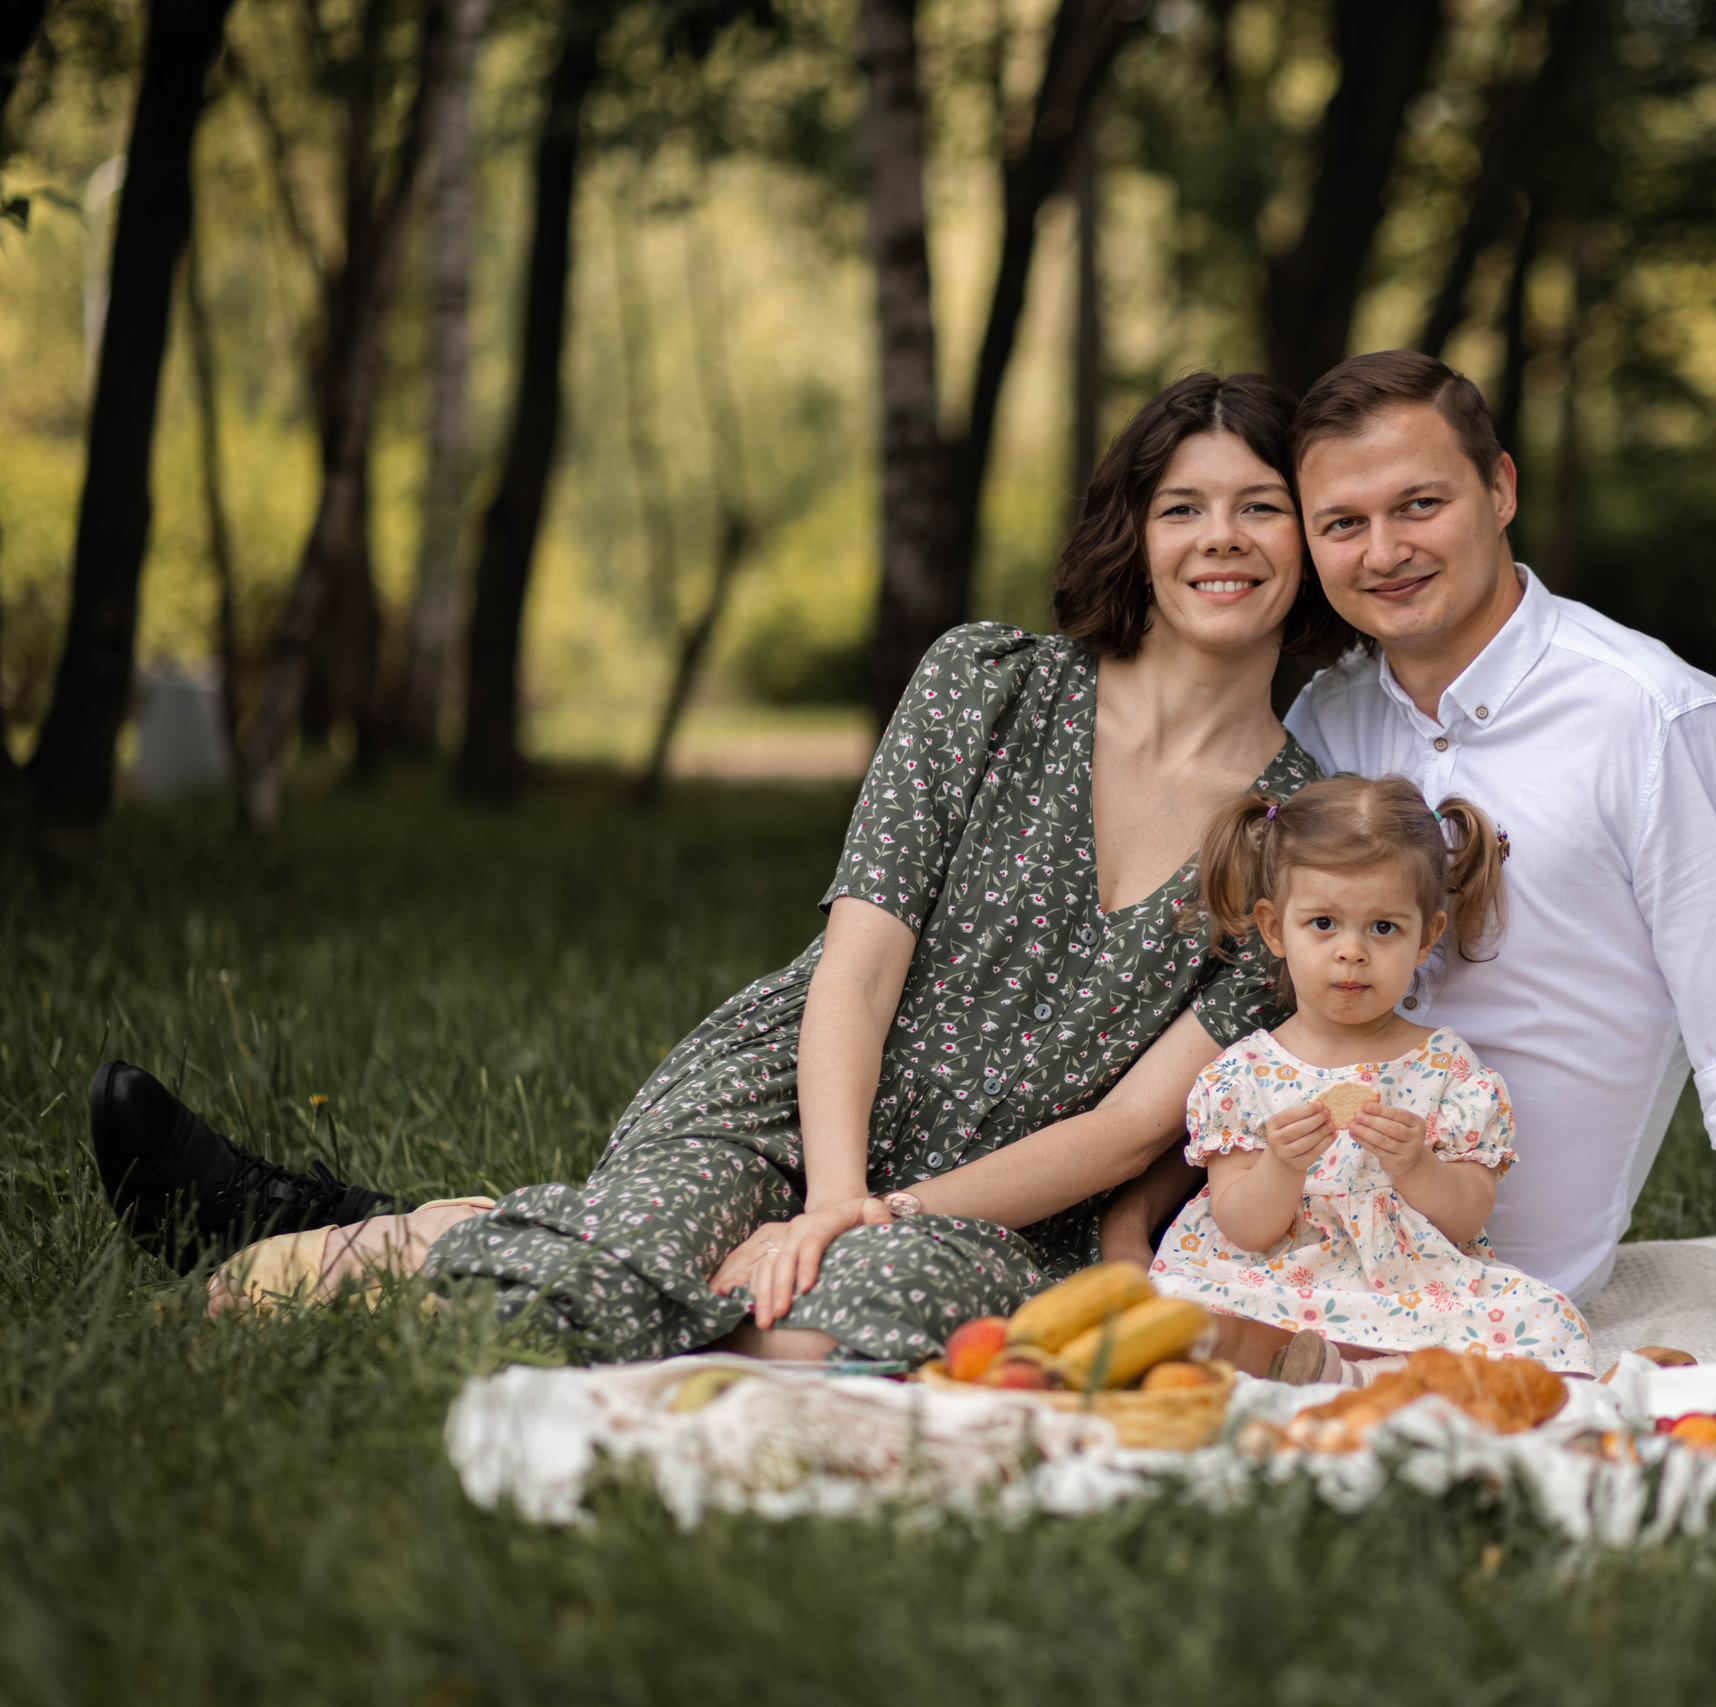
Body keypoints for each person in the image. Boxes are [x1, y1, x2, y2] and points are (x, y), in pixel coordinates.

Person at [85, 370, 1345, 1365]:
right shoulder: (989, 685)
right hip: (795, 1097)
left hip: (998, 1195)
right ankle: (306, 1251)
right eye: (1182, 505)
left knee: (827, 1326)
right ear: (1134, 529)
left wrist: (867, 1225)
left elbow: (1128, 1128)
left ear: (1308, 537)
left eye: (1257, 506)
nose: (1217, 540)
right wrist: (831, 1189)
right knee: (610, 1273)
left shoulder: (1305, 836)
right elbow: (855, 975)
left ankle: (439, 1230)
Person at [1120, 350, 1716, 1366]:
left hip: (1488, 1287)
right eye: (1342, 524)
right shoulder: (1326, 721)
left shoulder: (1655, 722)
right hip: (1277, 1239)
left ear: (1499, 489)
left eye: (1419, 504)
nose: (1384, 551)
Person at [1146, 774, 1597, 1382]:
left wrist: (1417, 1166)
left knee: (1544, 1321)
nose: (1352, 951)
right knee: (1185, 1314)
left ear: (1425, 938)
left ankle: (1345, 1373)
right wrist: (1281, 1165)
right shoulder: (1242, 1074)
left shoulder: (1447, 1069)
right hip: (1274, 1285)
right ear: (1276, 929)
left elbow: (1464, 1219)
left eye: (1383, 928)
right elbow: (1243, 1229)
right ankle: (1333, 1367)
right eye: (1324, 924)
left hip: (1410, 1287)